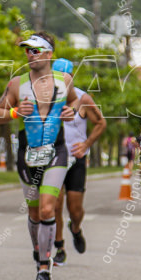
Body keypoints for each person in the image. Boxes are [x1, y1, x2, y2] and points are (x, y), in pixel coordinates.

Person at [0, 32, 77, 280]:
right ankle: (39, 250)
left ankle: (44, 268)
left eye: (36, 50)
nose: (30, 54)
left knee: (47, 209)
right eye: (27, 50)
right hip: (27, 153)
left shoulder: (64, 80)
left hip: (56, 152)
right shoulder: (17, 84)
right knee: (33, 211)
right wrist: (16, 111)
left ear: (50, 54)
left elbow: (75, 103)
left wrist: (72, 111)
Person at [50, 58, 105, 264]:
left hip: (76, 159)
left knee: (75, 209)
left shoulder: (83, 99)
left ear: (72, 77)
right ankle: (59, 246)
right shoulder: (47, 98)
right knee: (54, 205)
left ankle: (75, 228)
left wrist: (87, 143)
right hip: (54, 157)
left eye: (65, 77)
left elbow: (100, 123)